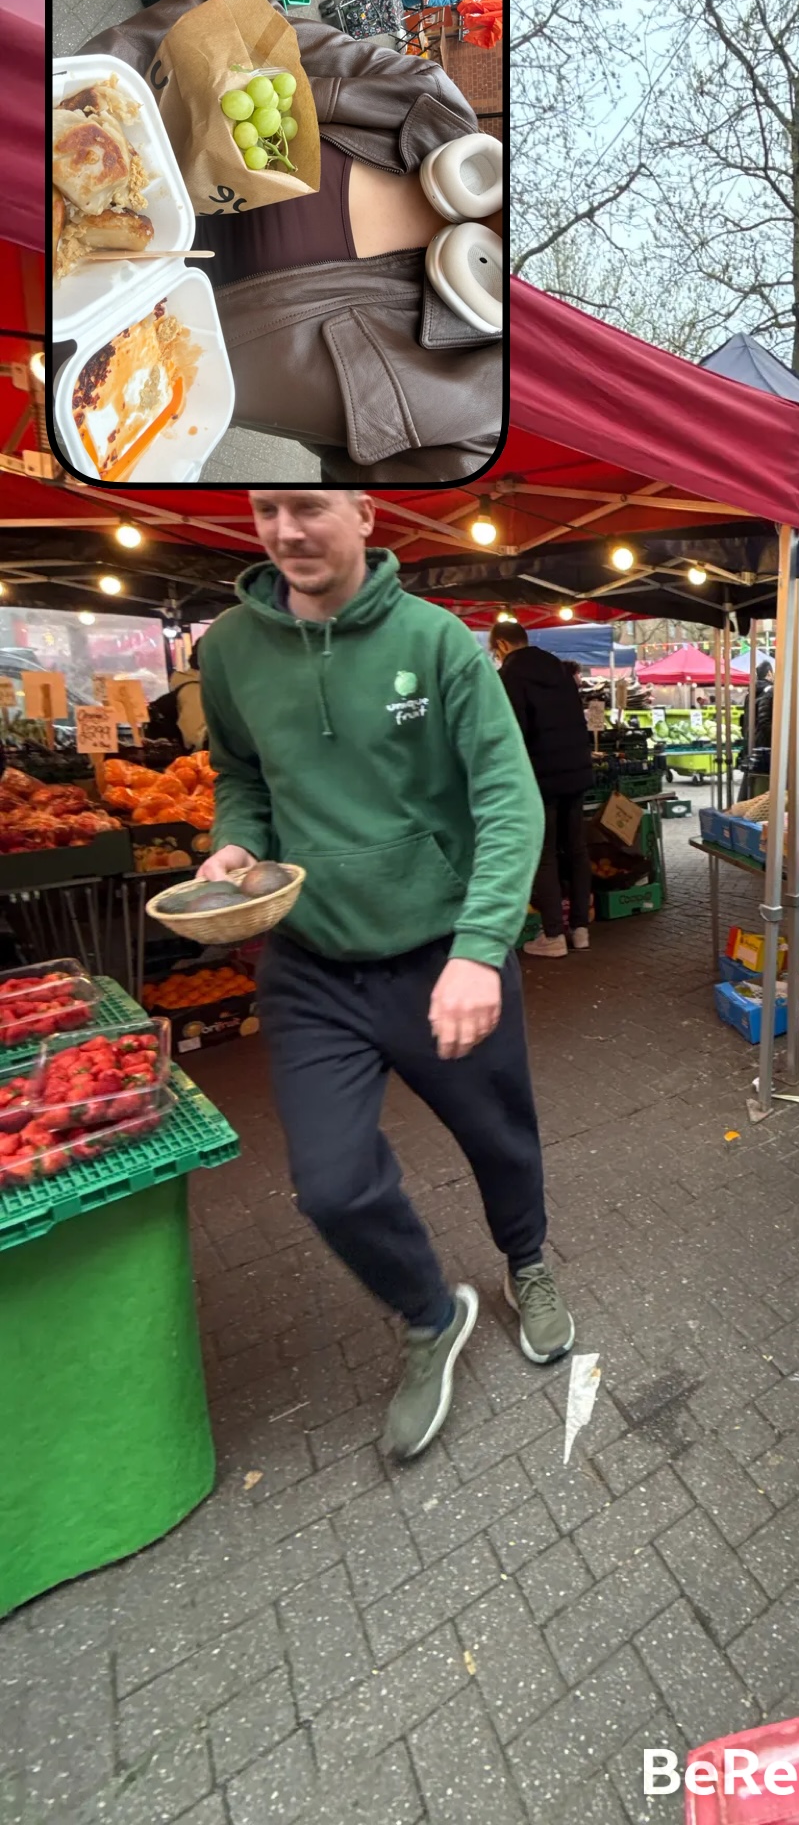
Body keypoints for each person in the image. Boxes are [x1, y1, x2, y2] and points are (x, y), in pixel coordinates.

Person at [196, 489, 574, 1463]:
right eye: (266, 509)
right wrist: (235, 847)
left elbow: (508, 796)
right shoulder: (230, 648)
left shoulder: (439, 643)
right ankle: (427, 1311)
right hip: (311, 963)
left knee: (500, 1136)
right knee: (329, 1185)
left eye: (308, 506)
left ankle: (526, 1261)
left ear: (364, 512)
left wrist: (482, 947)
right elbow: (239, 773)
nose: (286, 532)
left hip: (442, 953)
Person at [82, 0, 506, 483]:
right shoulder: (421, 96)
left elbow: (356, 525)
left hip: (84, 376)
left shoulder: (475, 425)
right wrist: (79, 110)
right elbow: (226, 20)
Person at [489, 622, 595, 960]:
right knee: (576, 849)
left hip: (541, 777)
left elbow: (512, 731)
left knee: (544, 853)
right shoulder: (560, 670)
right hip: (576, 773)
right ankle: (580, 930)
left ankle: (553, 935)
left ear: (503, 644)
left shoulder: (512, 676)